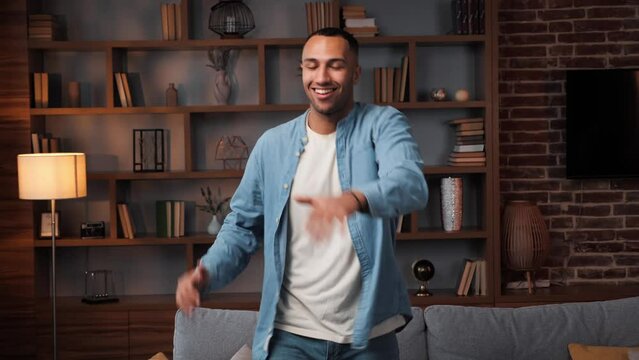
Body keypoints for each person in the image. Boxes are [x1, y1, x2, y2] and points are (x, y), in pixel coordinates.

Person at [176, 27, 428, 359]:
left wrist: (354, 199)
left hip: (369, 336)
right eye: (311, 65)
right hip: (291, 336)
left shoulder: (382, 124)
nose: (321, 76)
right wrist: (205, 272)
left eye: (334, 65)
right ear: (302, 71)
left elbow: (411, 183)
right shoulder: (272, 145)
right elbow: (241, 227)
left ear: (355, 72)